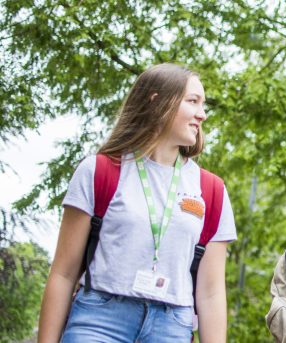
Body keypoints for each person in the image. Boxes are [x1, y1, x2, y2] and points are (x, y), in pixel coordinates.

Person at [37, 63, 236, 343]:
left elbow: (211, 293)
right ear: (157, 102)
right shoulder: (99, 171)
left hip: (172, 326)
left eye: (204, 105)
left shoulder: (211, 190)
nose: (202, 115)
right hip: (99, 322)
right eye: (193, 102)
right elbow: (63, 273)